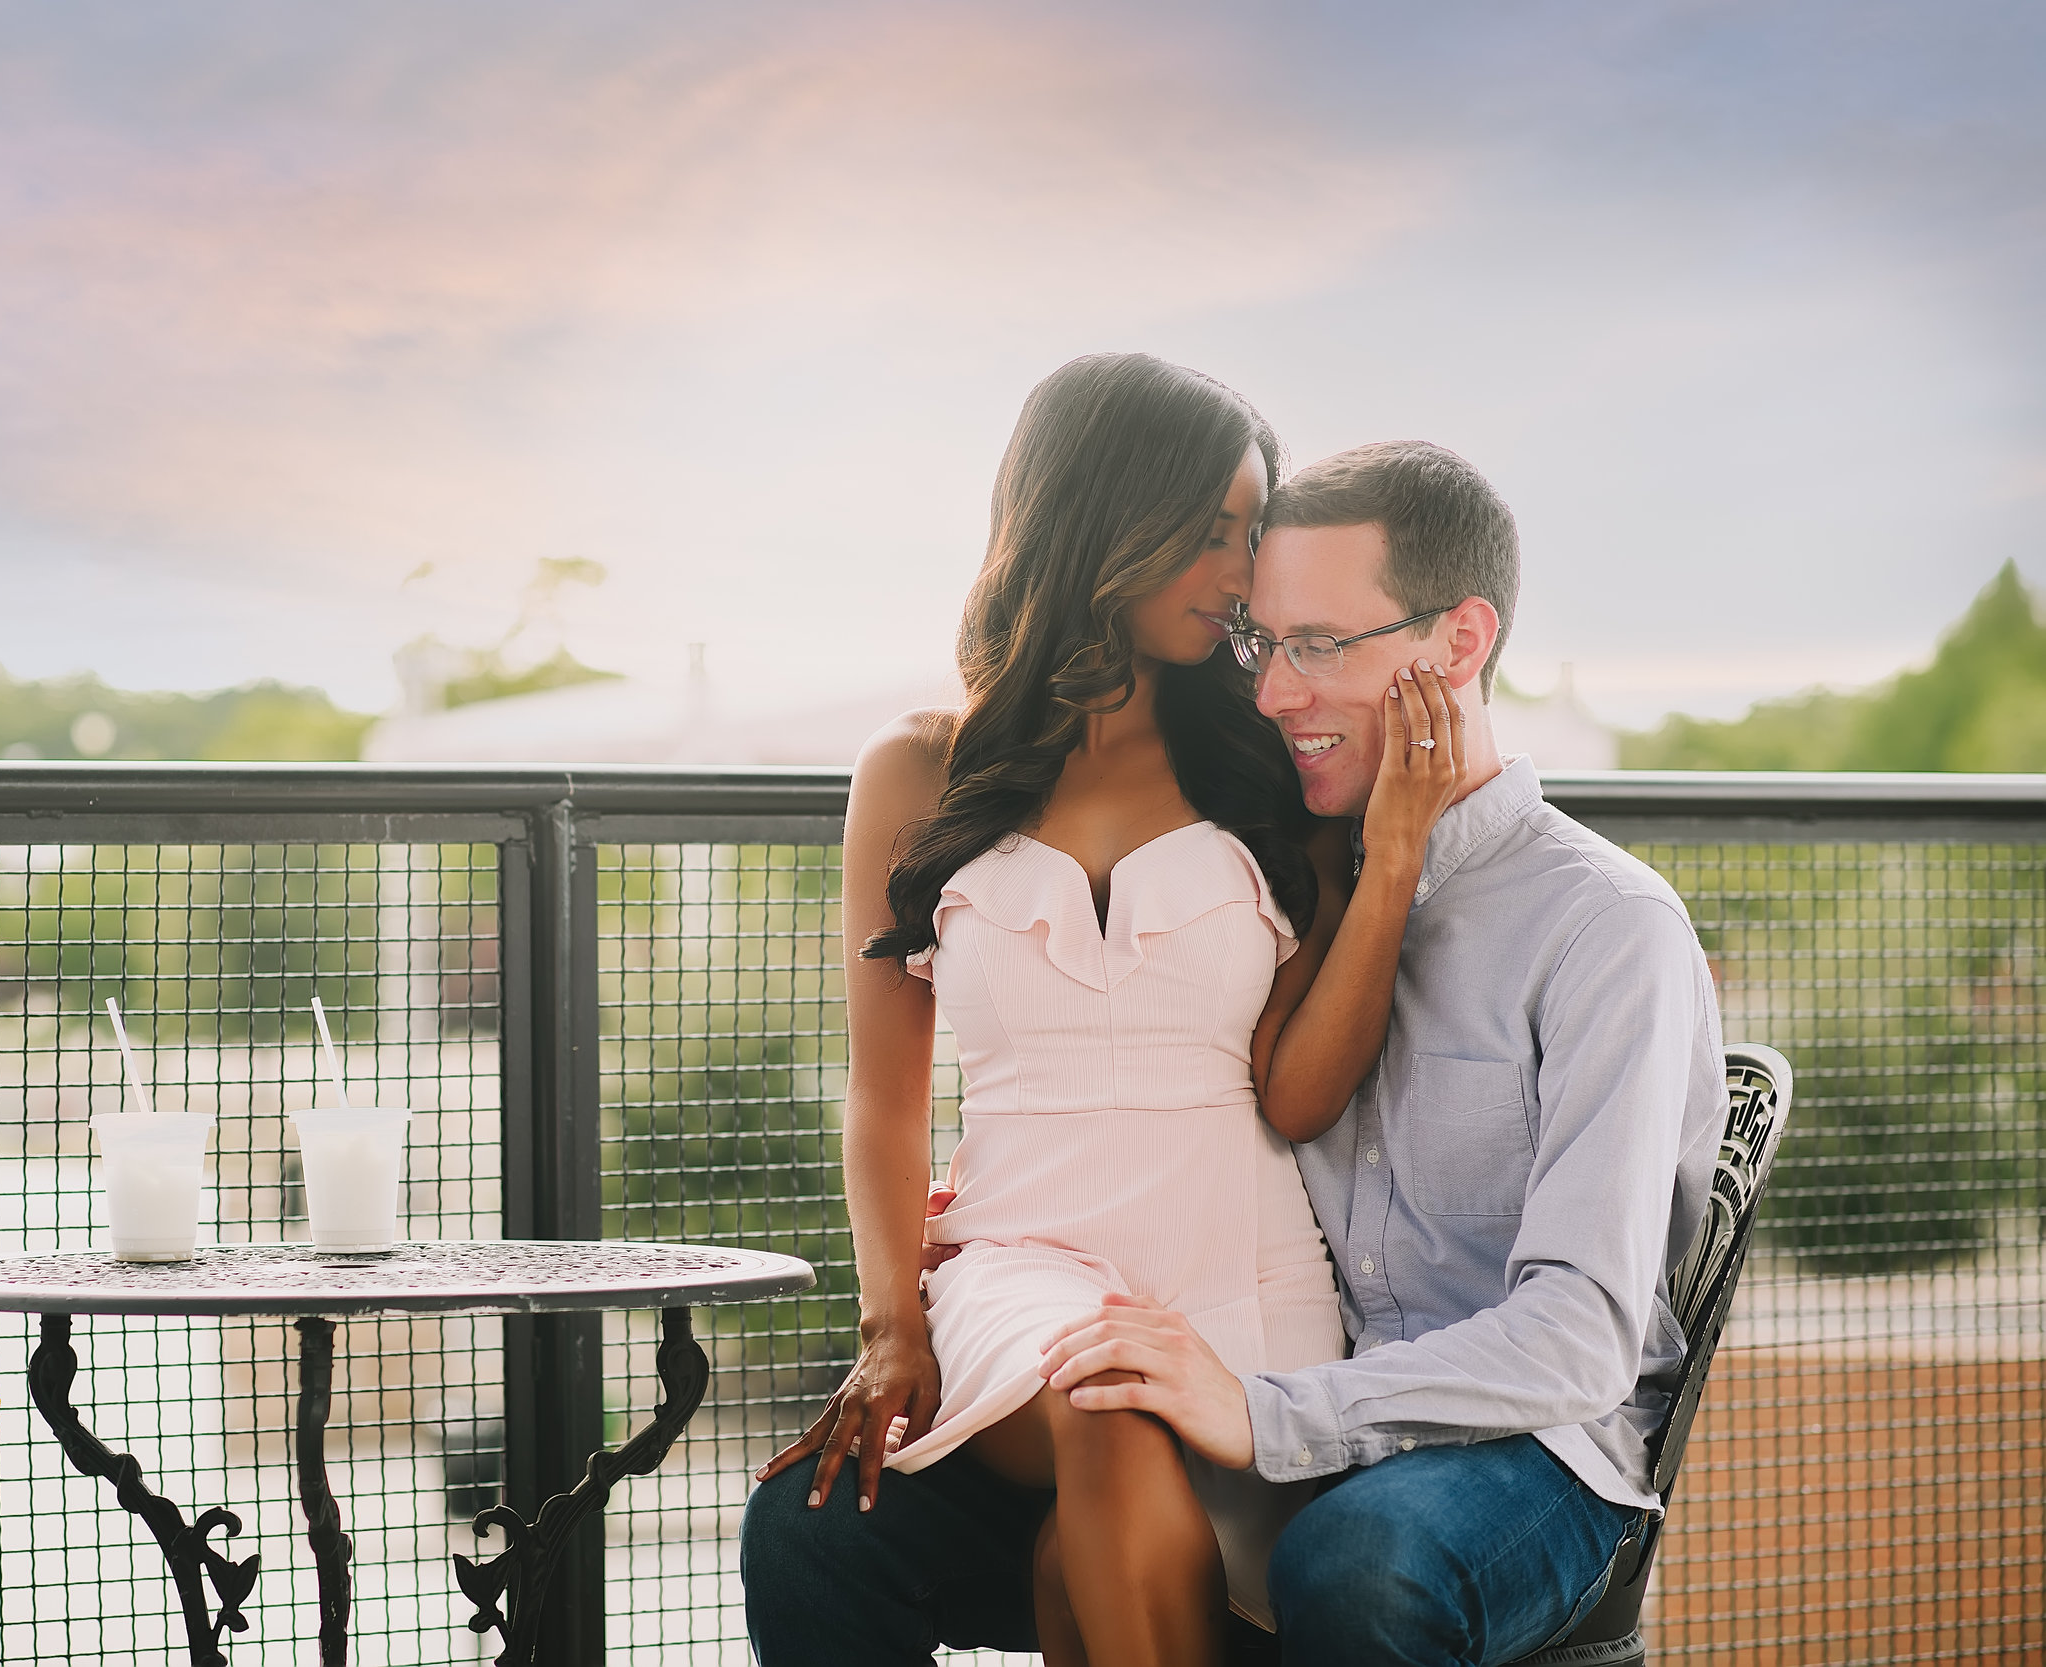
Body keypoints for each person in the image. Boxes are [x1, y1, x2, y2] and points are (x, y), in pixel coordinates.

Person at [741, 437, 1730, 1667]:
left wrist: (1265, 1411)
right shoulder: (1303, 850)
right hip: (1244, 1379)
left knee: (1350, 1561)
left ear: (1459, 643)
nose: (1269, 692)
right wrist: (948, 1265)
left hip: (1516, 1437)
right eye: (1264, 643)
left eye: (1317, 645)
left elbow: (1578, 1338)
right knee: (820, 1525)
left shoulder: (1602, 927)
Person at [746, 355, 1469, 1667]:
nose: (1240, 571)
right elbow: (885, 1092)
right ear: (1100, 518)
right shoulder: (917, 768)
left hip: (1238, 1261)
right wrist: (890, 1323)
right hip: (1019, 1258)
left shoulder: (1259, 756)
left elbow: (1295, 1089)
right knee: (1099, 1384)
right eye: (1207, 533)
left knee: (1082, 1544)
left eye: (1248, 533)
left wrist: (1391, 865)